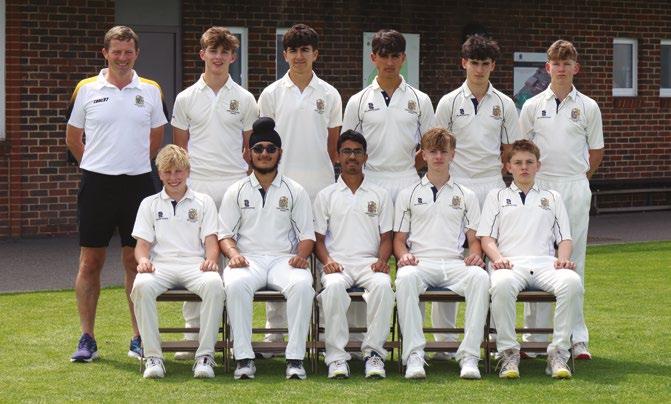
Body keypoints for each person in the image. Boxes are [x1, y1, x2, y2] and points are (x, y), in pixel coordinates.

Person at [65, 26, 167, 362]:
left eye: (128, 52)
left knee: (135, 261)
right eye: (116, 52)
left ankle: (138, 337)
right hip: (97, 185)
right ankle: (87, 338)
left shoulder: (151, 90)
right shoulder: (86, 89)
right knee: (90, 262)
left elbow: (156, 136)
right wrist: (95, 164)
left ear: (137, 53)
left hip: (138, 186)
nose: (122, 58)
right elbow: (73, 138)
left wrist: (134, 163)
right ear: (105, 53)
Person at [171, 26, 258, 360]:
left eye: (224, 52)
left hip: (235, 186)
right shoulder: (185, 98)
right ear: (202, 54)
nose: (218, 57)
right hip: (199, 187)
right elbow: (180, 150)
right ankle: (194, 334)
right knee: (200, 262)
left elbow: (250, 150)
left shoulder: (245, 99)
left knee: (236, 263)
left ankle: (238, 337)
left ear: (233, 57)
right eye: (213, 50)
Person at [432, 34, 522, 356]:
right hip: (456, 187)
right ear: (464, 63)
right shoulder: (448, 102)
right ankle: (443, 343)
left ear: (493, 65)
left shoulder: (505, 104)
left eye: (485, 63)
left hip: (492, 186)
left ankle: (496, 340)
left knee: (496, 262)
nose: (480, 69)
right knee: (450, 257)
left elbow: (510, 148)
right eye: (474, 63)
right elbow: (438, 145)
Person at [258, 24, 342, 349]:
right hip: (281, 188)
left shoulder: (330, 94)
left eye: (305, 50)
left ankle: (320, 332)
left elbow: (333, 148)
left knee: (322, 260)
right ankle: (275, 332)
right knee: (280, 255)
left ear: (315, 54)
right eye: (293, 50)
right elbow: (265, 146)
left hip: (320, 188)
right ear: (285, 55)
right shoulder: (271, 94)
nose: (299, 56)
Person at [519, 40, 604, 360]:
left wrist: (579, 179)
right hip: (540, 188)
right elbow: (522, 150)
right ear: (548, 67)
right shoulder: (531, 106)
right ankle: (534, 337)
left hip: (574, 186)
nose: (561, 68)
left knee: (574, 262)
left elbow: (596, 151)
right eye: (556, 63)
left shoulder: (589, 107)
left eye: (567, 63)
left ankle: (576, 337)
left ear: (575, 68)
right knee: (537, 258)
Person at [477, 139, 584, 379]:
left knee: (572, 282)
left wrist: (563, 259)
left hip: (545, 264)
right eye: (518, 163)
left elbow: (565, 238)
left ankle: (558, 353)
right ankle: (508, 353)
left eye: (529, 162)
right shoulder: (496, 196)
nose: (524, 167)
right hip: (510, 264)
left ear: (538, 165)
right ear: (508, 167)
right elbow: (487, 238)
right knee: (501, 284)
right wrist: (498, 258)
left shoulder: (552, 197)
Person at [219, 117, 315, 380]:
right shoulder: (236, 190)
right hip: (247, 260)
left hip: (284, 259)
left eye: (271, 149)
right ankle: (244, 359)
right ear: (249, 153)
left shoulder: (295, 191)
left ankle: (295, 359)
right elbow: (225, 235)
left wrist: (301, 256)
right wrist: (234, 255)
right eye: (258, 148)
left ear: (280, 153)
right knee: (236, 284)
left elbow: (307, 235)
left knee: (302, 285)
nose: (264, 153)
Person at [394, 128, 489, 380]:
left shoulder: (466, 195)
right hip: (420, 262)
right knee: (404, 278)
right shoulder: (408, 194)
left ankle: (469, 356)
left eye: (443, 152)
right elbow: (399, 240)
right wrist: (403, 255)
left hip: (454, 263)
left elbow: (474, 240)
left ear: (452, 155)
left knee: (480, 277)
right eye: (433, 151)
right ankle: (414, 355)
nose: (438, 157)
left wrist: (475, 255)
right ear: (423, 155)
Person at [130, 145, 225, 379]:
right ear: (160, 174)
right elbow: (142, 245)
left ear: (188, 171)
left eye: (179, 171)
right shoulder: (149, 203)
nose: (174, 178)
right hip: (160, 266)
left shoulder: (204, 201)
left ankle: (205, 356)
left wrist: (211, 260)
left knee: (214, 285)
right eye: (168, 172)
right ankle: (153, 357)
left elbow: (211, 242)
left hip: (195, 265)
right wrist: (143, 261)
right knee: (141, 285)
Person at [313, 130, 395, 379]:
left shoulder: (380, 194)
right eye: (347, 151)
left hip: (369, 263)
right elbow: (318, 240)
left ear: (365, 157)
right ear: (338, 156)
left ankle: (374, 354)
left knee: (383, 287)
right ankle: (336, 357)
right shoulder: (326, 195)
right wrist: (328, 261)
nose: (352, 157)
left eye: (357, 152)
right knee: (333, 288)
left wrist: (382, 261)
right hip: (338, 264)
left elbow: (387, 237)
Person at [342, 28, 435, 202]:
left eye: (395, 56)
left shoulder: (421, 100)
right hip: (370, 180)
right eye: (384, 56)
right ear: (373, 58)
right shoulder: (357, 101)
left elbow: (431, 147)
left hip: (408, 181)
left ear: (403, 58)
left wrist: (406, 168)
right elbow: (347, 149)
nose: (390, 63)